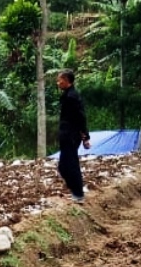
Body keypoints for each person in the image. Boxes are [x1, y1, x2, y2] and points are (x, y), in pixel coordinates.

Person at [56, 69, 92, 204]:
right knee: (64, 166)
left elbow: (80, 117)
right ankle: (76, 192)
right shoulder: (67, 95)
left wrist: (85, 136)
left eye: (60, 80)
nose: (58, 82)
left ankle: (78, 194)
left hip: (71, 135)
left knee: (69, 165)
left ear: (67, 81)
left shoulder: (72, 97)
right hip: (66, 135)